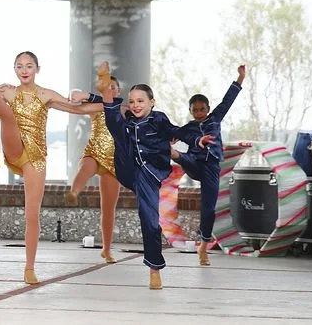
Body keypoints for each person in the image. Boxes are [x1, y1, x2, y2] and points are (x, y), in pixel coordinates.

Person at [0, 51, 92, 284]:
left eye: (29, 66)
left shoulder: (46, 94)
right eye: (19, 66)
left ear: (37, 69)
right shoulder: (8, 91)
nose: (24, 70)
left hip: (36, 157)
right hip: (15, 148)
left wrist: (109, 104)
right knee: (7, 116)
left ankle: (29, 268)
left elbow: (77, 109)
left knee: (32, 214)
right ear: (14, 70)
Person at [97, 62, 202, 290]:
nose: (135, 105)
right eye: (132, 101)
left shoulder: (158, 119)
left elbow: (176, 131)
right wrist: (91, 95)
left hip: (149, 174)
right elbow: (111, 110)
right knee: (115, 122)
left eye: (140, 101)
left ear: (152, 102)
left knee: (150, 221)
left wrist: (196, 140)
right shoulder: (127, 118)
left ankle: (154, 270)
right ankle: (105, 88)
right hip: (127, 168)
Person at [171, 64, 245, 266]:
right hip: (193, 163)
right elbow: (173, 133)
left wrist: (240, 78)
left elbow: (228, 100)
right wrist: (171, 139)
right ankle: (174, 154)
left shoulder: (215, 119)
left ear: (208, 109)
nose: (198, 113)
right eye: (194, 110)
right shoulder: (187, 128)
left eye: (202, 109)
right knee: (183, 156)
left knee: (208, 208)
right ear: (190, 111)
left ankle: (203, 246)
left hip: (211, 167)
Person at [64, 75, 123, 264]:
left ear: (119, 91)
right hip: (94, 153)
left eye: (113, 87)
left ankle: (106, 249)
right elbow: (76, 107)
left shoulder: (123, 109)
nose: (110, 91)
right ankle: (74, 192)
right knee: (85, 168)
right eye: (106, 88)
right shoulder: (97, 108)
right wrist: (74, 94)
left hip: (113, 162)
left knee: (108, 208)